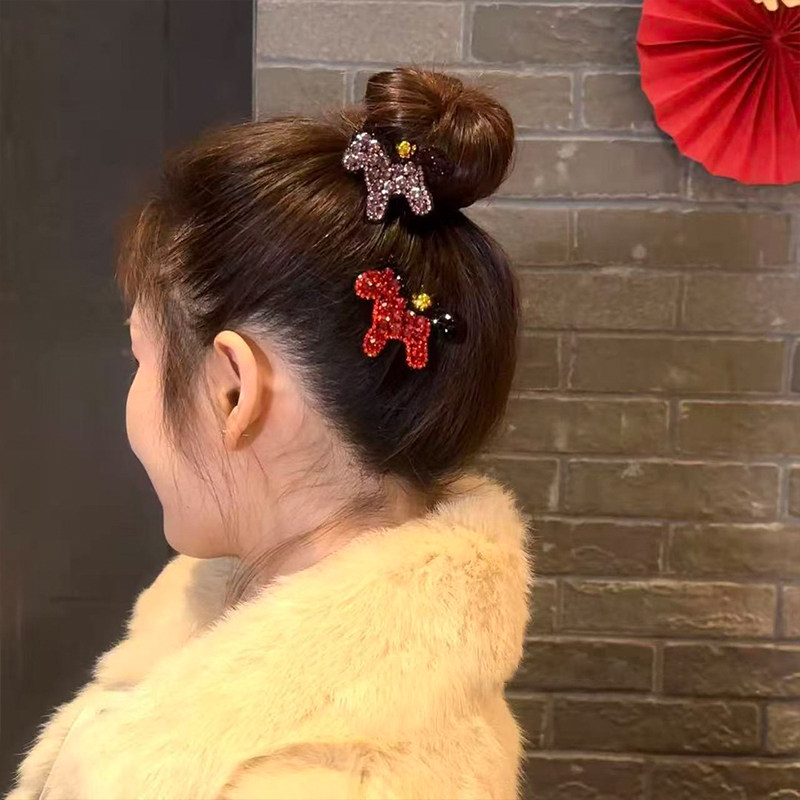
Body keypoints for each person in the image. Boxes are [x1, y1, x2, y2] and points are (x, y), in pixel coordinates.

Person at [6, 66, 533, 800]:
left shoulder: (281, 781)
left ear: (234, 390)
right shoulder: (418, 694)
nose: (133, 395)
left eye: (140, 359)